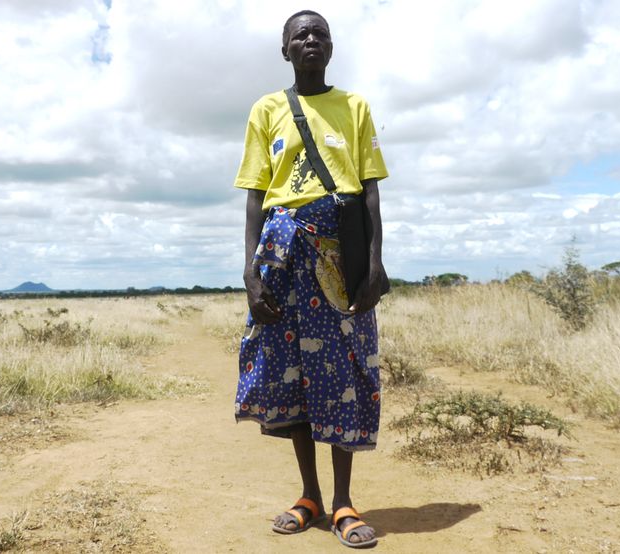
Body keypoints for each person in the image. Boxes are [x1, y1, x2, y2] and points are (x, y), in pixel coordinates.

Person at [232, 9, 388, 549]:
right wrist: (250, 272)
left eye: (320, 33)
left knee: (344, 370)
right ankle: (310, 496)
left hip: (338, 254)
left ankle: (344, 502)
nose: (311, 40)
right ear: (285, 51)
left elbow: (369, 192)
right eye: (300, 35)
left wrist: (374, 263)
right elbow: (255, 196)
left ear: (331, 47)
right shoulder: (266, 110)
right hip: (281, 253)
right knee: (293, 372)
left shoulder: (356, 107)